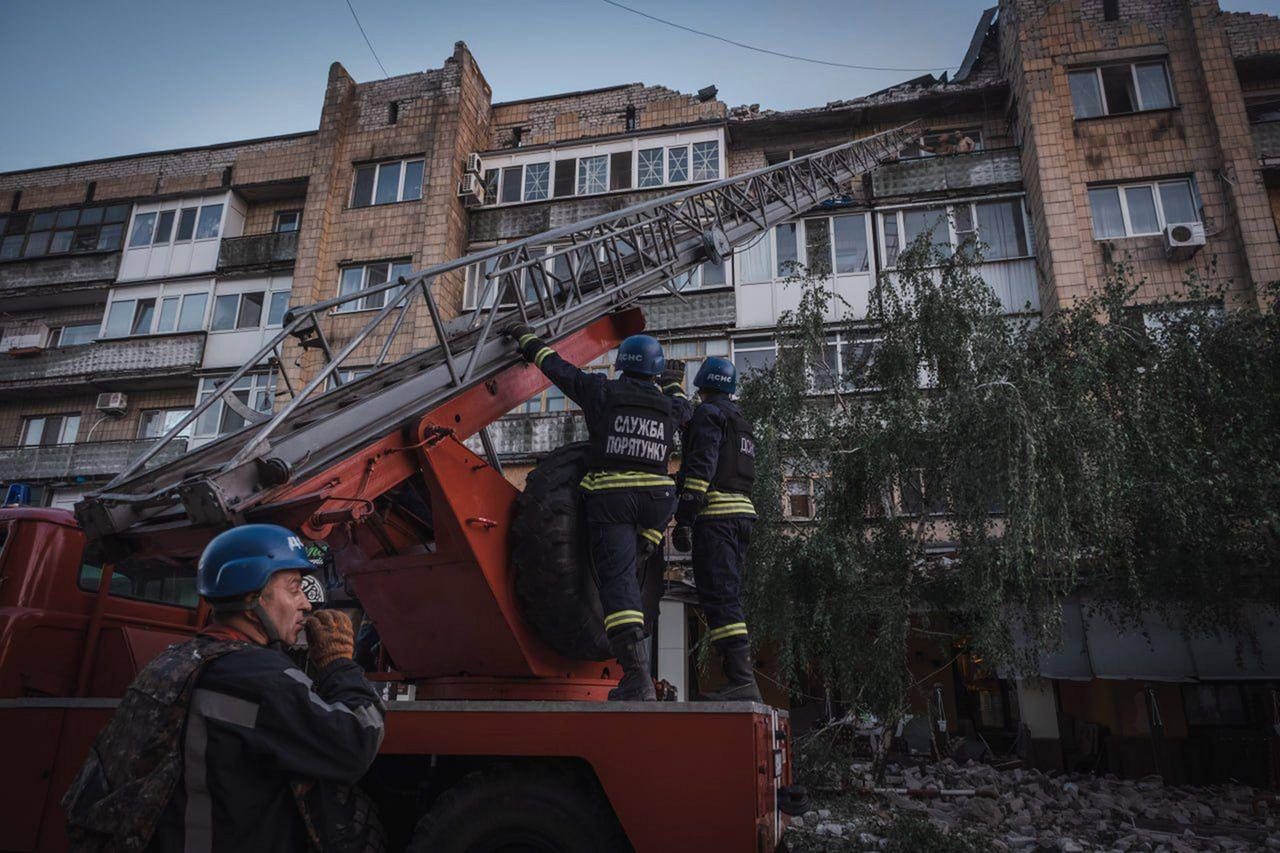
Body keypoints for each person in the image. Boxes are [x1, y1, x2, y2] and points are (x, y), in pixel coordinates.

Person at [63, 524, 385, 852]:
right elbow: (355, 742)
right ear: (251, 595)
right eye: (294, 588)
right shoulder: (260, 678)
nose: (306, 603)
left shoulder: (173, 661)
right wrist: (339, 665)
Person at [506, 323, 690, 701]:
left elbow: (557, 368)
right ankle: (649, 543)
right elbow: (685, 407)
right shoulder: (668, 406)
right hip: (657, 502)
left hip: (614, 499)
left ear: (622, 364)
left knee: (618, 584)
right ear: (654, 371)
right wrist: (673, 382)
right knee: (637, 561)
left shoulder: (602, 391)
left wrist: (526, 340)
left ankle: (637, 678)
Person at [671, 357, 763, 702]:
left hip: (718, 518)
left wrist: (684, 517)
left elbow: (702, 468)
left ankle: (741, 680)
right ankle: (738, 678)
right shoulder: (740, 420)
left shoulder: (710, 415)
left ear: (702, 385)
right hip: (741, 516)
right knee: (726, 595)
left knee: (720, 597)